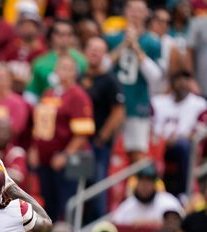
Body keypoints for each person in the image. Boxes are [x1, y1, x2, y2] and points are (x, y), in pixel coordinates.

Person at [31, 55, 95, 221]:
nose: (63, 72)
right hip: (45, 160)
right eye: (61, 67)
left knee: (65, 205)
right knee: (47, 203)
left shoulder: (78, 96)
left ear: (75, 72)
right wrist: (34, 149)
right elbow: (39, 124)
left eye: (68, 68)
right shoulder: (49, 93)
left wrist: (65, 155)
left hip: (65, 160)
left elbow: (83, 133)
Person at [106, 0, 163, 164]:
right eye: (132, 10)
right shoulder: (113, 37)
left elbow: (155, 76)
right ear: (125, 12)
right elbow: (103, 66)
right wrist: (124, 44)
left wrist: (136, 48)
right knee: (110, 152)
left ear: (146, 14)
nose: (136, 15)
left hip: (138, 102)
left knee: (137, 152)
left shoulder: (152, 42)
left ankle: (136, 189)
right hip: (113, 102)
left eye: (140, 10)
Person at [81, 36, 125, 218]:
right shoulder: (79, 77)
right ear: (85, 51)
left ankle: (99, 227)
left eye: (98, 50)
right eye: (91, 48)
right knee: (79, 186)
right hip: (79, 144)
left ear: (105, 55)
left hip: (97, 146)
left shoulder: (110, 81)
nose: (94, 53)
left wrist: (102, 138)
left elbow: (119, 111)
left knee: (98, 187)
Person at [151, 70, 207, 196]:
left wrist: (179, 138)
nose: (182, 83)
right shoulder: (158, 102)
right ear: (171, 83)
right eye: (178, 79)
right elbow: (150, 127)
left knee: (183, 146)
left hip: (185, 147)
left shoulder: (199, 103)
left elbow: (201, 132)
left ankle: (186, 192)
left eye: (186, 79)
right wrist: (163, 141)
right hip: (159, 145)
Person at [111, 164, 183, 226]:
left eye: (148, 182)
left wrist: (154, 223)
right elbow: (115, 225)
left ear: (154, 184)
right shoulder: (127, 206)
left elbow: (181, 225)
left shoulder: (168, 202)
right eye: (142, 182)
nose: (145, 186)